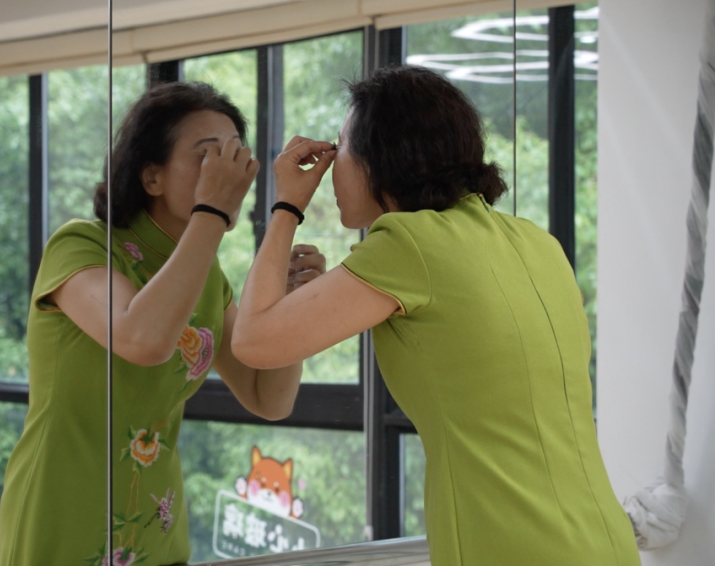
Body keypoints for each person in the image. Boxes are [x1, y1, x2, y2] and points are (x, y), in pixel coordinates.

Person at [232, 66, 642, 566]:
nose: (332, 165)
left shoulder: (407, 245)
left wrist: (285, 207)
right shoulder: (538, 242)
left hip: (512, 546)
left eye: (341, 147)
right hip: (603, 539)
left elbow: (252, 341)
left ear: (383, 156)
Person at [0, 82, 324, 566]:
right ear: (152, 177)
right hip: (62, 515)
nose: (228, 175)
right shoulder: (82, 245)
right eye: (208, 158)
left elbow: (268, 398)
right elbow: (142, 340)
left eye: (235, 157)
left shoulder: (206, 277)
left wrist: (291, 306)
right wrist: (211, 212)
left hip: (157, 525)